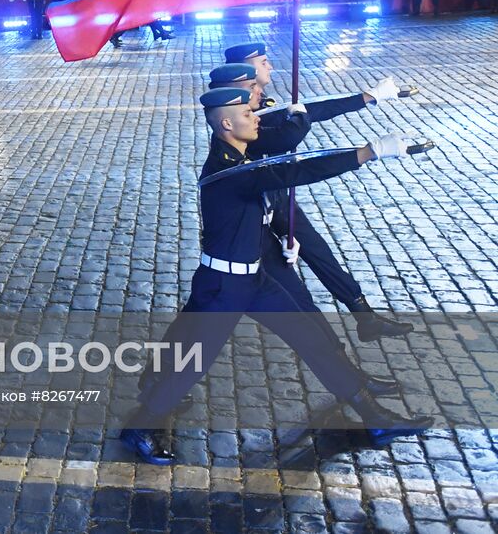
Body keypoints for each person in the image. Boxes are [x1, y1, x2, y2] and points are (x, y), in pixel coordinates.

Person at [120, 88, 431, 464]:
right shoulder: (228, 170)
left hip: (255, 280)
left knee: (312, 338)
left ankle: (375, 418)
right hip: (224, 288)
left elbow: (276, 177)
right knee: (191, 362)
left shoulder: (242, 158)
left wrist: (279, 234)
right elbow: (297, 169)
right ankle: (141, 427)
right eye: (247, 115)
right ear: (226, 125)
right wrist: (368, 152)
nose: (256, 117)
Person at [219, 42, 416, 340]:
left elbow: (310, 112)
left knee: (318, 250)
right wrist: (366, 151)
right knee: (281, 297)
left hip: (274, 197)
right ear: (244, 73)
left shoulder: (257, 106)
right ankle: (328, 341)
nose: (270, 66)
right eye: (263, 61)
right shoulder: (238, 116)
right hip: (253, 213)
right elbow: (288, 136)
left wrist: (368, 99)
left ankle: (363, 317)